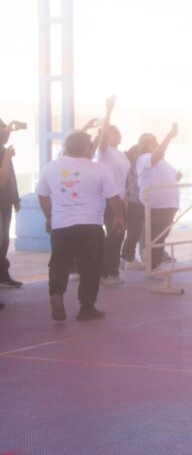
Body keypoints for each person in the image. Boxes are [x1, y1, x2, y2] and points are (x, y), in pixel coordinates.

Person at [36, 131, 125, 321]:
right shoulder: (99, 169)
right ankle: (86, 307)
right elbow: (113, 197)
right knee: (90, 266)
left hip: (61, 225)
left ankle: (56, 293)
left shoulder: (51, 167)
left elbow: (42, 195)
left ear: (66, 147)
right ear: (88, 148)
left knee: (59, 263)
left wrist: (49, 217)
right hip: (90, 225)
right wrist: (118, 217)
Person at [135, 125, 182, 271]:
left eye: (155, 142)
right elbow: (156, 156)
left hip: (169, 204)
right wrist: (168, 136)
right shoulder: (143, 159)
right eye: (151, 143)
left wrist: (176, 178)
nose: (155, 145)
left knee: (161, 235)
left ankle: (155, 264)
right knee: (155, 236)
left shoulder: (162, 162)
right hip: (156, 205)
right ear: (145, 145)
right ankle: (152, 265)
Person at [95, 97, 129, 287]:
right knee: (112, 235)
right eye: (115, 133)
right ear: (107, 135)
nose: (119, 135)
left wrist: (125, 196)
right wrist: (108, 111)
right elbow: (103, 135)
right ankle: (106, 273)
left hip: (120, 199)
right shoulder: (104, 151)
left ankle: (112, 271)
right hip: (107, 199)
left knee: (118, 235)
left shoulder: (121, 154)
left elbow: (123, 178)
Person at [0, 118, 27, 289]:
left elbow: (11, 177)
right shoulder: (4, 154)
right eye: (4, 130)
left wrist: (15, 199)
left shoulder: (4, 151)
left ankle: (3, 274)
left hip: (5, 202)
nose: (7, 132)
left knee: (4, 241)